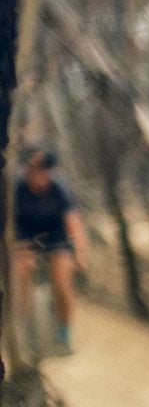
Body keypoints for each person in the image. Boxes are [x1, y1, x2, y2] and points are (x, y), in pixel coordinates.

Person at [11, 147, 90, 358]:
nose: (41, 176)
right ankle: (26, 328)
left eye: (46, 170)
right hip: (26, 233)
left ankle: (64, 334)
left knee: (63, 279)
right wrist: (17, 249)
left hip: (56, 234)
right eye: (36, 170)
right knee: (22, 269)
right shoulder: (17, 189)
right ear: (27, 170)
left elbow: (73, 223)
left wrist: (80, 255)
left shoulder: (59, 189)